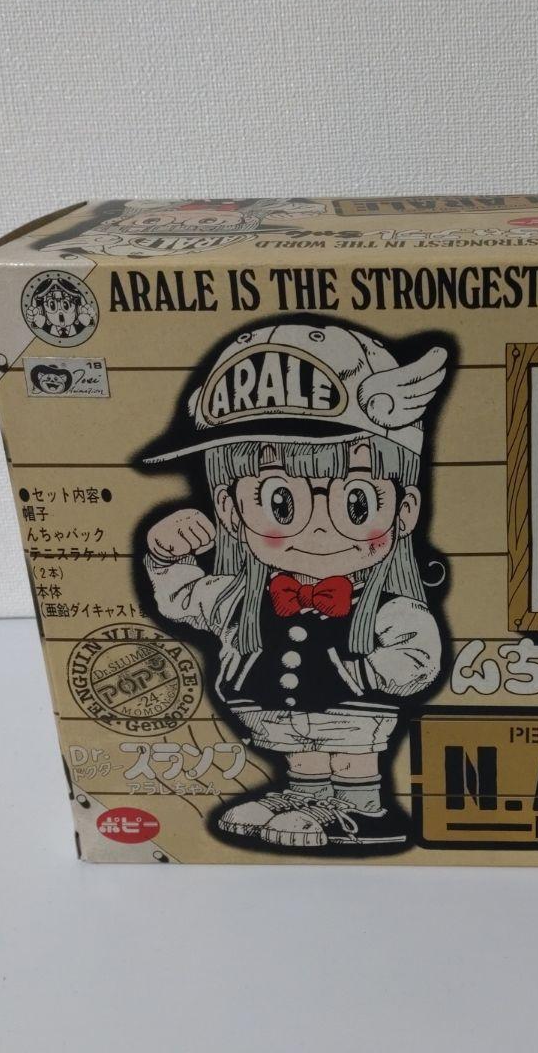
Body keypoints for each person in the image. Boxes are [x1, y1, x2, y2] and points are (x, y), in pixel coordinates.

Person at [140, 318, 448, 849]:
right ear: (230, 510)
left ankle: (362, 808)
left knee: (349, 755)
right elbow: (184, 600)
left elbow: (418, 658)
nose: (320, 528)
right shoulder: (241, 597)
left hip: (353, 715)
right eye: (280, 501)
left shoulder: (386, 607)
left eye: (356, 501)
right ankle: (305, 797)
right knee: (303, 757)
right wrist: (168, 556)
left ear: (404, 510)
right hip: (274, 711)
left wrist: (362, 672)